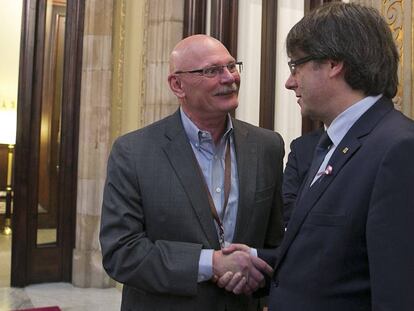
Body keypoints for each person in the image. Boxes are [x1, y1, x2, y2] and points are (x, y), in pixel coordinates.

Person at [222, 3, 414, 310]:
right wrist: (256, 260)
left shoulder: (399, 149)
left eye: (296, 66)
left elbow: (397, 292)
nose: (289, 81)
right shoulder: (328, 144)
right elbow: (335, 258)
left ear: (333, 63)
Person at [99, 34, 285, 311]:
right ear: (178, 84)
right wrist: (212, 263)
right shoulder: (134, 152)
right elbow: (122, 253)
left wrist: (259, 281)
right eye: (212, 70)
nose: (229, 78)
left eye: (232, 66)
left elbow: (275, 242)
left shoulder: (267, 146)